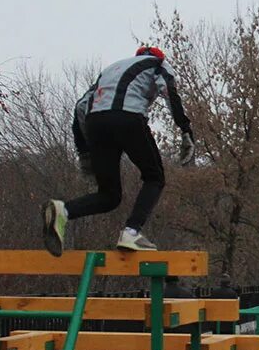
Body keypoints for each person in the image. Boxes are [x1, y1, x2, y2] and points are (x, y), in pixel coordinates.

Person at [42, 46, 196, 256]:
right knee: (155, 177)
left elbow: (80, 107)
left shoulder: (110, 70)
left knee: (109, 196)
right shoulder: (158, 64)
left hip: (95, 123)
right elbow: (170, 91)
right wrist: (185, 130)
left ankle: (64, 210)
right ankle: (132, 231)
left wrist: (85, 153)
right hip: (128, 118)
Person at [163, 273, 195, 350]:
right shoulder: (186, 294)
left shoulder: (160, 294)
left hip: (167, 332)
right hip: (184, 331)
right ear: (177, 281)